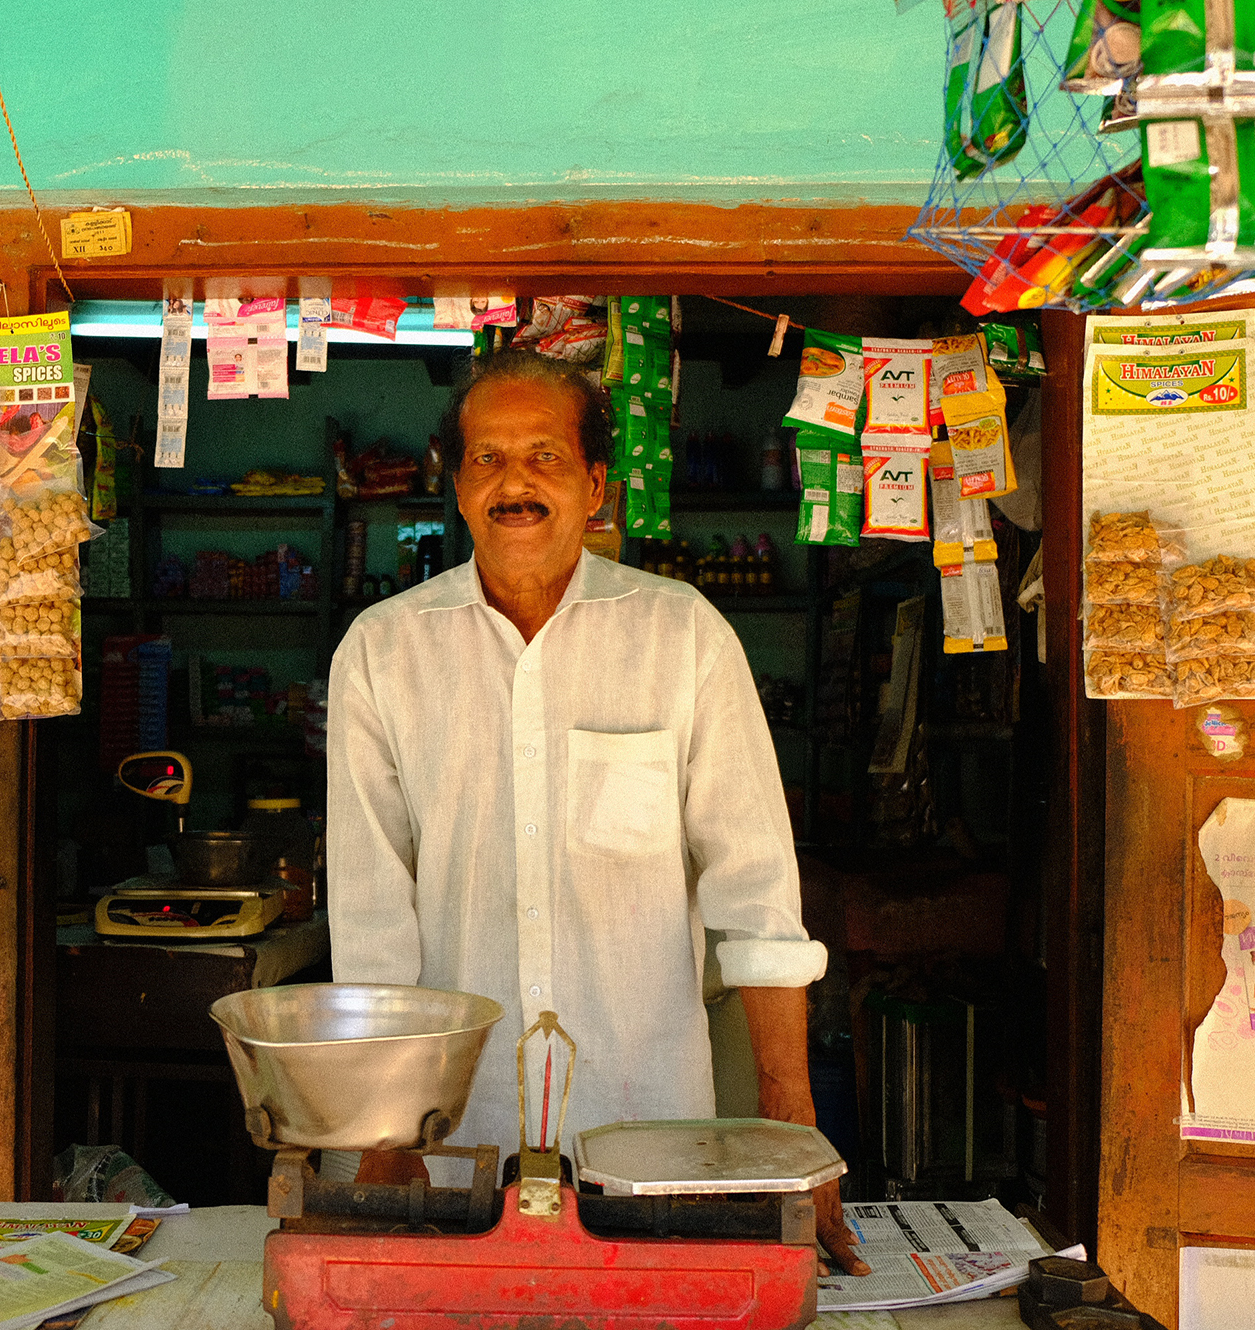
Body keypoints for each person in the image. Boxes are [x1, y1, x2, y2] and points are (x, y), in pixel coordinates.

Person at [326, 350, 867, 1275]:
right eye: (488, 460)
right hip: (461, 1136)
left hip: (649, 1127)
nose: (516, 483)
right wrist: (386, 1135)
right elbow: (374, 918)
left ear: (595, 486)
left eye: (544, 456)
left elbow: (758, 891)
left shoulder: (682, 634)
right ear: (456, 486)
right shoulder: (384, 653)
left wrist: (794, 1124)